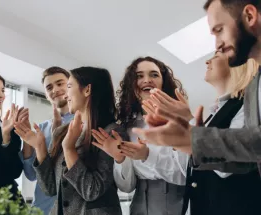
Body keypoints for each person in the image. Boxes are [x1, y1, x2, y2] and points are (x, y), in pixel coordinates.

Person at [132, 0, 261, 170]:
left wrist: (194, 138)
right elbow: (246, 161)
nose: (217, 45)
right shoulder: (254, 88)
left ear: (250, 16)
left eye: (219, 30)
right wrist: (187, 141)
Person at [15, 67, 122, 215]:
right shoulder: (61, 132)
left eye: (69, 86)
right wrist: (39, 147)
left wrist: (69, 149)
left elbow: (92, 190)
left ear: (87, 90)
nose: (65, 95)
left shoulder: (112, 132)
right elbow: (49, 188)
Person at [92, 56, 189, 215]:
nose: (147, 80)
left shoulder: (179, 121)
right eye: (139, 76)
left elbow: (186, 174)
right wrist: (120, 159)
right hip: (138, 206)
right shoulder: (128, 128)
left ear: (163, 83)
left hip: (176, 203)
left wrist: (147, 155)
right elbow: (126, 187)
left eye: (154, 75)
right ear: (132, 86)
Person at [180, 52, 260, 215]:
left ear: (238, 64)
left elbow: (231, 164)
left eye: (217, 55)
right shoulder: (213, 114)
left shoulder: (246, 108)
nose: (207, 61)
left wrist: (189, 134)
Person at [20, 67, 74, 214]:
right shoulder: (41, 128)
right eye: (49, 87)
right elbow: (31, 175)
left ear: (71, 85)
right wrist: (26, 139)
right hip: (42, 209)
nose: (55, 90)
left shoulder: (84, 123)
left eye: (60, 83)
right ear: (46, 94)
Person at [0, 71, 26, 199]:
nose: (1, 95)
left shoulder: (9, 130)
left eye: (3, 90)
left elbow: (15, 172)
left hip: (8, 203)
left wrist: (5, 137)